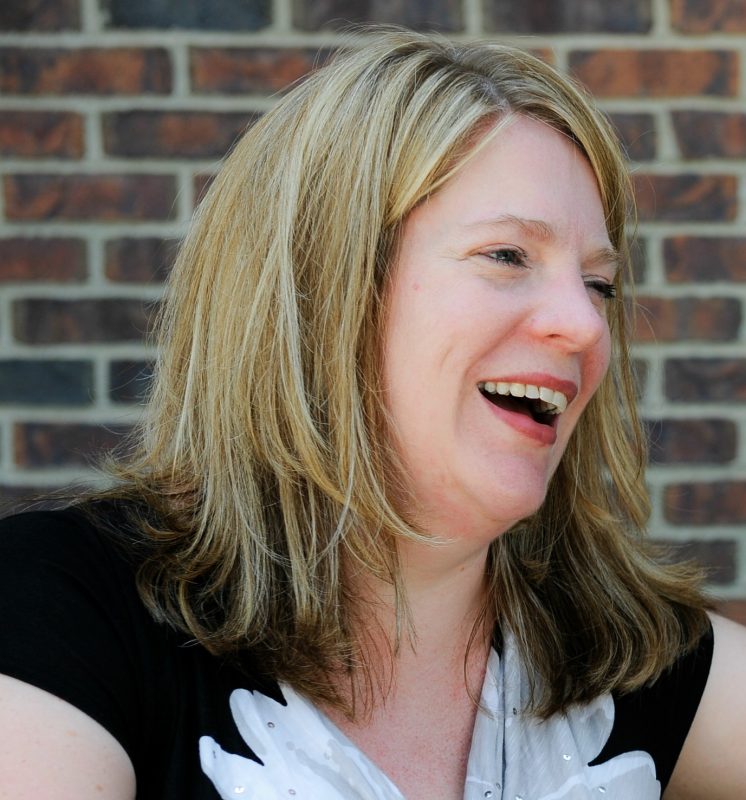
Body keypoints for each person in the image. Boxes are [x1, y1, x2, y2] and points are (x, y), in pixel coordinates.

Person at [0, 28, 744, 800]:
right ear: (322, 288)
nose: (586, 326)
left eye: (599, 284)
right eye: (507, 256)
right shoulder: (66, 616)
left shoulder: (625, 652)